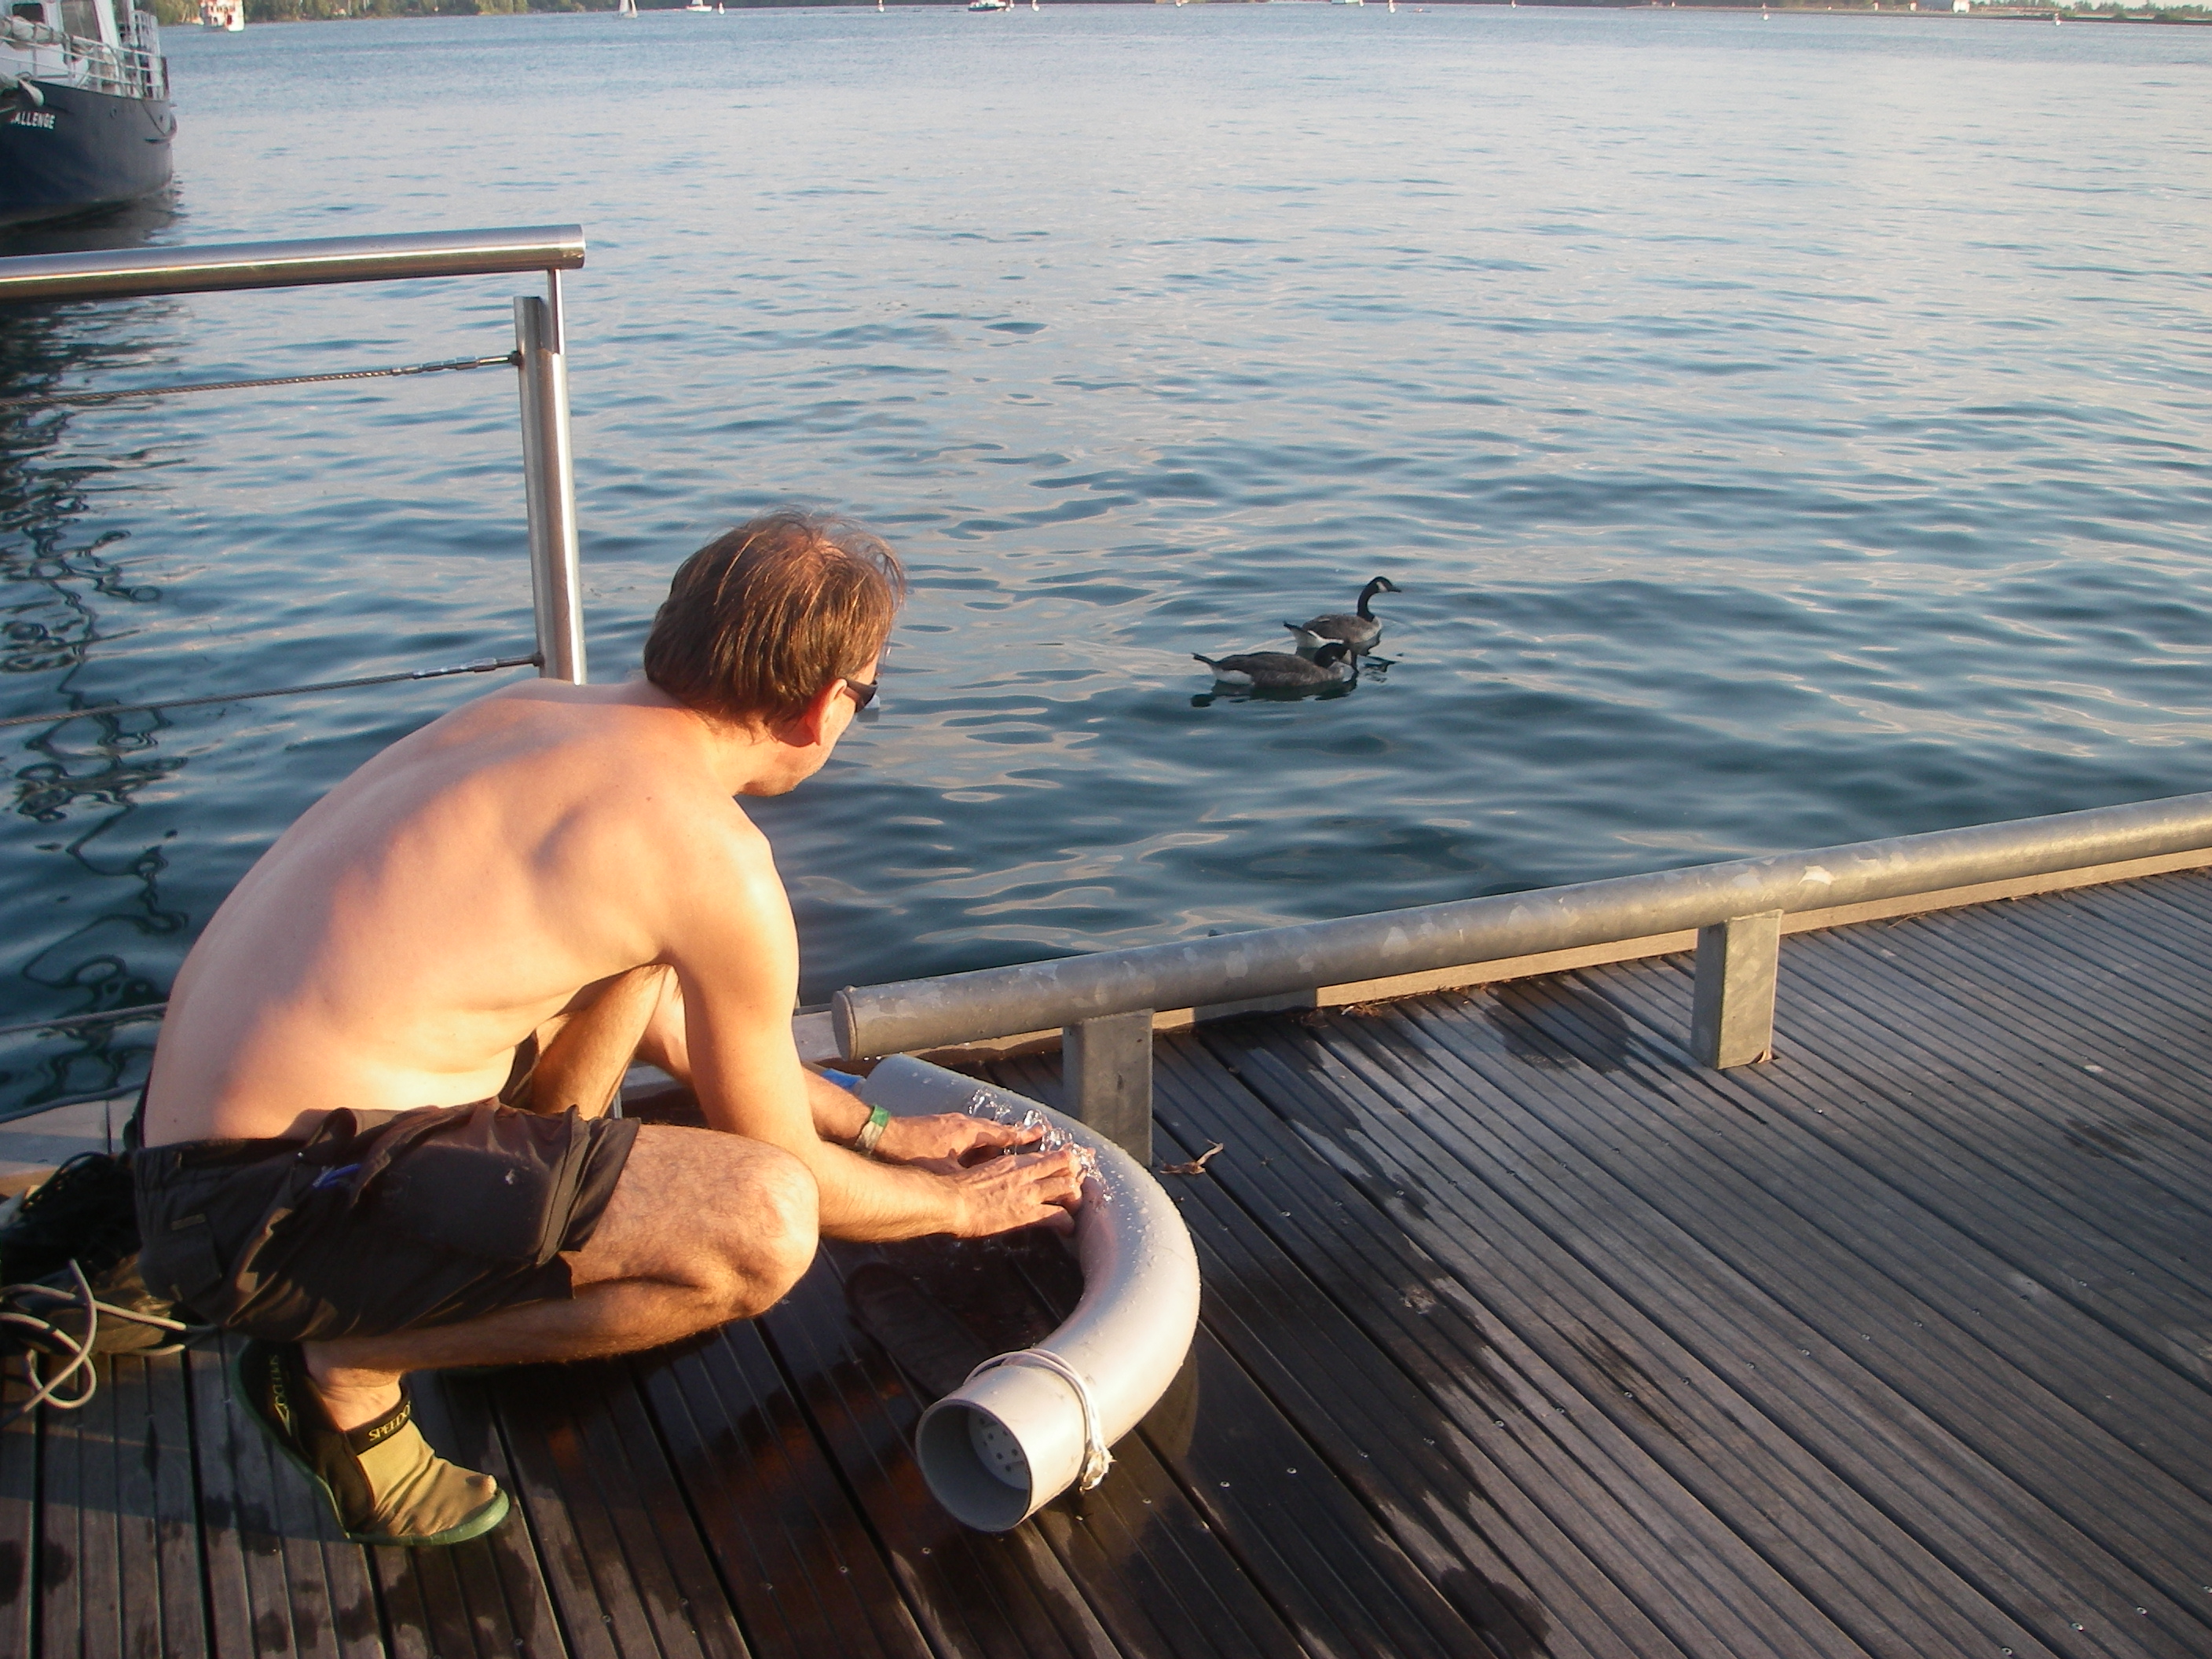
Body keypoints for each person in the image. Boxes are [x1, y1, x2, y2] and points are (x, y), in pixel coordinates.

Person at [130, 511, 1085, 1547]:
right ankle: (348, 1368)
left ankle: (422, 1291)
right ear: (820, 708)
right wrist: (957, 1205)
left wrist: (880, 1130)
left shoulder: (532, 712)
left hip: (185, 1168)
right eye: (868, 695)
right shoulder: (711, 859)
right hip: (272, 1216)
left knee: (644, 965)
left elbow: (674, 1021)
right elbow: (785, 1166)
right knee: (767, 1226)